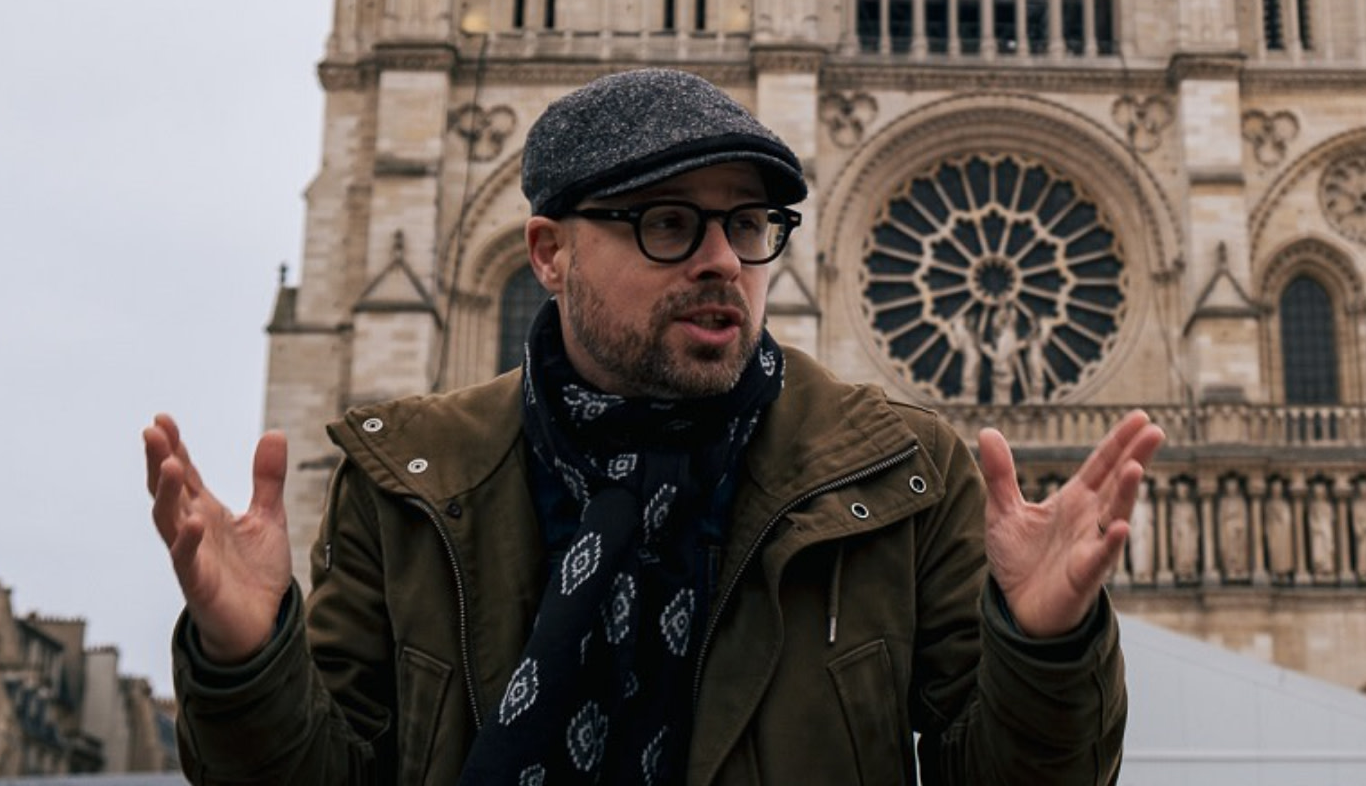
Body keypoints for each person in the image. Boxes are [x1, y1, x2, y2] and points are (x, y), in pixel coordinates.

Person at [146, 67, 1163, 785]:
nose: (722, 260)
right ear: (549, 254)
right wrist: (247, 661)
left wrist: (1045, 649)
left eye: (749, 225)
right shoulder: (408, 483)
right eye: (668, 223)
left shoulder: (906, 473)